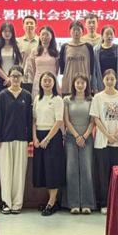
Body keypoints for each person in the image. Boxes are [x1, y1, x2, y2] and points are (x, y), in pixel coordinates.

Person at [90, 69, 118, 215]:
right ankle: (104, 203)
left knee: (117, 174)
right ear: (103, 80)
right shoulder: (98, 97)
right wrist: (107, 135)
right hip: (102, 141)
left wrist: (117, 134)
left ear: (116, 80)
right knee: (103, 173)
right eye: (107, 79)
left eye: (112, 79)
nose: (109, 81)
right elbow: (96, 118)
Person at [0, 66, 34, 214]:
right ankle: (6, 203)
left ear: (22, 77)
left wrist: (29, 138)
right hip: (5, 139)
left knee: (19, 172)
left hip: (21, 139)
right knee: (6, 172)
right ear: (9, 77)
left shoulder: (27, 95)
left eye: (18, 76)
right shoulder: (2, 95)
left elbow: (29, 118)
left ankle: (17, 203)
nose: (16, 79)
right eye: (13, 76)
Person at [33, 72, 66, 216]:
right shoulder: (37, 98)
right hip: (39, 136)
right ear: (40, 83)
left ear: (54, 83)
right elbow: (34, 120)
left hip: (52, 137)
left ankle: (52, 202)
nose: (46, 83)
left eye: (49, 80)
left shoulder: (58, 99)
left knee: (53, 169)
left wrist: (47, 139)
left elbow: (59, 121)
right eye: (44, 80)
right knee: (44, 170)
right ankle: (52, 200)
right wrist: (35, 137)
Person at [64, 74, 95, 214]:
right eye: (78, 83)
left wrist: (84, 136)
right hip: (71, 138)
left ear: (87, 85)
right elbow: (66, 120)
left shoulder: (91, 100)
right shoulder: (67, 100)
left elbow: (93, 121)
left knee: (86, 169)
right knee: (71, 169)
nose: (80, 85)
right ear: (74, 84)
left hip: (87, 138)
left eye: (83, 83)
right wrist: (77, 136)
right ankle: (74, 204)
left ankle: (87, 203)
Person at [60, 20, 96, 96]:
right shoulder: (65, 47)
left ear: (82, 32)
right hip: (68, 84)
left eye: (78, 30)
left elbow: (92, 67)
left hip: (84, 85)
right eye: (74, 30)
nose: (76, 32)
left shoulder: (88, 47)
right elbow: (62, 69)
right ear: (70, 32)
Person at [91, 25, 118, 94]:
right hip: (101, 86)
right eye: (107, 34)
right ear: (102, 35)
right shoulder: (96, 50)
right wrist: (95, 87)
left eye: (111, 34)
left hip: (117, 86)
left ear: (114, 35)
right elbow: (94, 71)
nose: (109, 36)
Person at [27, 26, 59, 99]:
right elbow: (34, 69)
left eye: (47, 35)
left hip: (52, 81)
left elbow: (57, 70)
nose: (44, 37)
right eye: (43, 34)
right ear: (39, 36)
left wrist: (52, 78)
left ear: (51, 36)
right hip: (38, 81)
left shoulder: (56, 52)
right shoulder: (34, 51)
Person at [0, 22, 22, 94]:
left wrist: (12, 77)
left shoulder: (18, 47)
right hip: (1, 79)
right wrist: (7, 78)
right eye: (5, 31)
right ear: (1, 32)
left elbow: (20, 64)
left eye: (10, 31)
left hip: (16, 78)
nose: (7, 33)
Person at [17, 15, 39, 93]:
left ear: (36, 25)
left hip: (36, 78)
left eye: (31, 23)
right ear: (23, 26)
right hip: (22, 79)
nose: (29, 25)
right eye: (27, 23)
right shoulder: (18, 42)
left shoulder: (40, 41)